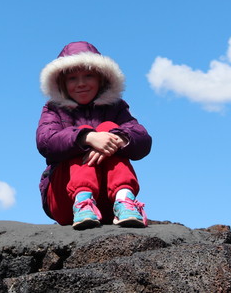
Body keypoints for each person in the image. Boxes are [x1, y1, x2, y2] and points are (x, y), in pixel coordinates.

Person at [36, 41, 152, 230]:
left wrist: (117, 139)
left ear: (101, 79)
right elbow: (45, 142)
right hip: (65, 200)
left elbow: (143, 141)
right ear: (62, 83)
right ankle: (83, 201)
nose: (81, 83)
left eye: (88, 75)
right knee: (76, 137)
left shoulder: (116, 107)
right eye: (72, 78)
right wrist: (86, 138)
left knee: (109, 128)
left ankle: (124, 200)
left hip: (106, 201)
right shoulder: (54, 109)